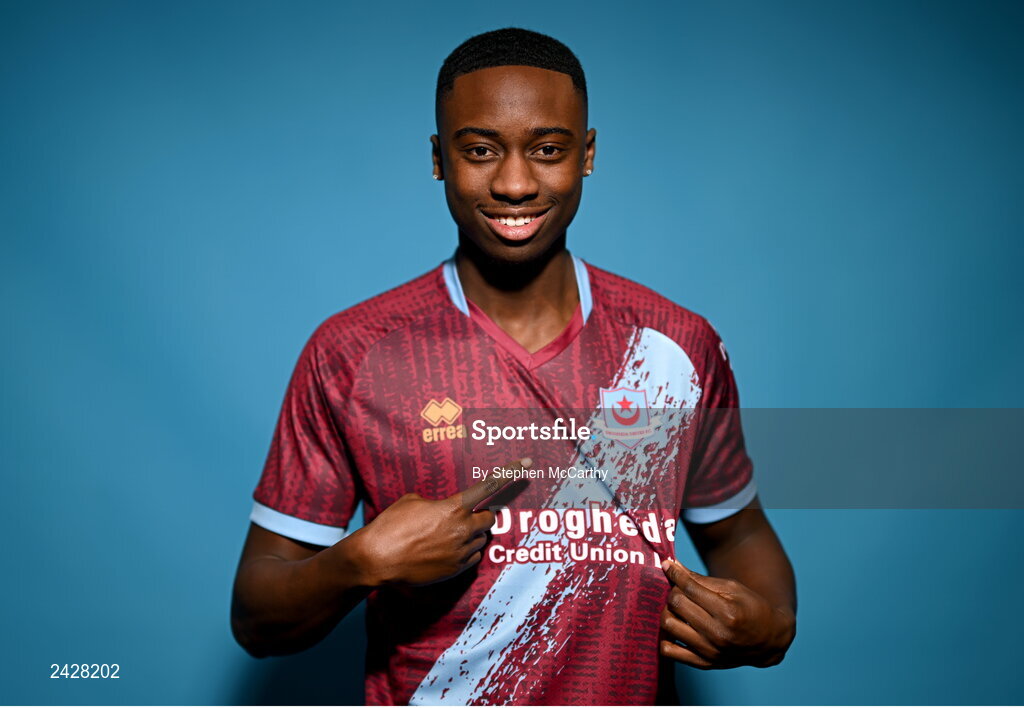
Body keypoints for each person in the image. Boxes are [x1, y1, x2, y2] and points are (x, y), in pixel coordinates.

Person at [230, 27, 796, 706]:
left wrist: (768, 621)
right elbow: (256, 617)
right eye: (480, 151)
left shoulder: (673, 345)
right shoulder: (354, 352)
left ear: (586, 155)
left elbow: (738, 532)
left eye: (548, 150)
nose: (516, 182)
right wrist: (360, 561)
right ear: (440, 160)